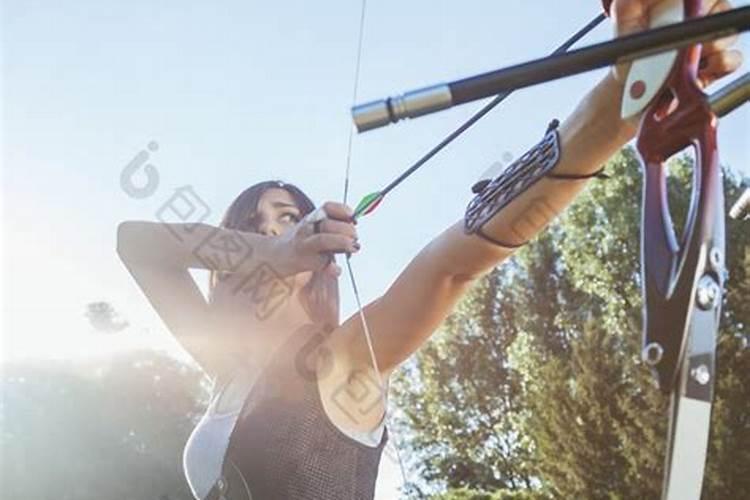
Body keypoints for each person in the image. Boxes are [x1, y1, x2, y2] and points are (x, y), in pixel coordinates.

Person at [116, 0, 742, 498]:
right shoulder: (226, 369)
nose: (272, 229)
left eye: (287, 217)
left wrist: (627, 92)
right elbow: (137, 245)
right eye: (252, 223)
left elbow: (456, 261)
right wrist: (273, 255)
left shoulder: (341, 363)